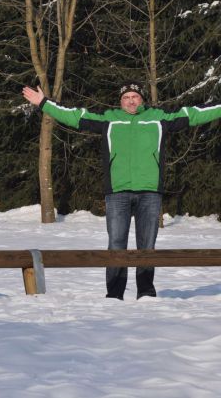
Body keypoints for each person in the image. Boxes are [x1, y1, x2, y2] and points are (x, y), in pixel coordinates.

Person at [22, 82, 221, 300]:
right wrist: (43, 103)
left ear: (142, 99)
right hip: (117, 192)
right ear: (120, 101)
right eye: (127, 97)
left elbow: (192, 114)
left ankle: (145, 291)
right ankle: (115, 293)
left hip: (150, 191)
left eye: (135, 96)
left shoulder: (158, 117)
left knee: (147, 245)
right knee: (116, 244)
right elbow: (75, 116)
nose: (131, 101)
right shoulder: (109, 118)